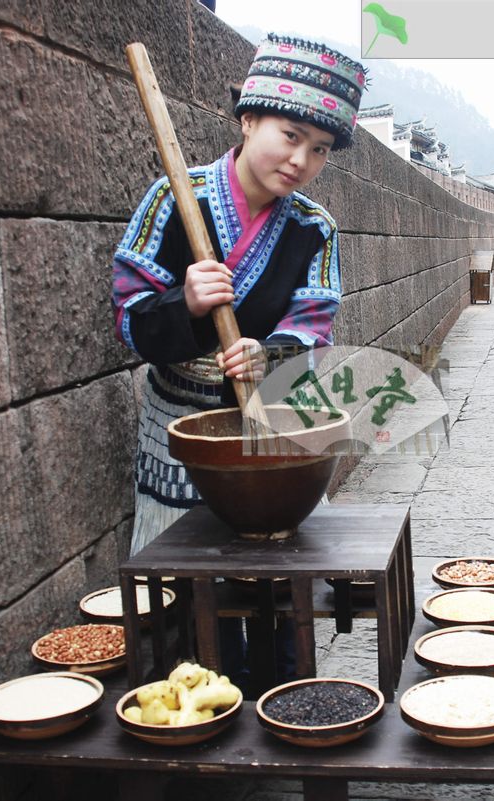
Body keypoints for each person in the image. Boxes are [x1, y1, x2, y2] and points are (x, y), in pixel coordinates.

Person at [111, 34, 367, 684]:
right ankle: (205, 729)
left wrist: (267, 353)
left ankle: (285, 702)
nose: (301, 159)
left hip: (270, 423)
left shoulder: (314, 228)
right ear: (247, 117)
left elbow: (312, 325)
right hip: (184, 433)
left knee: (281, 588)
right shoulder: (173, 199)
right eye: (290, 134)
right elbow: (130, 320)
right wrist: (186, 303)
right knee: (191, 597)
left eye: (320, 149)